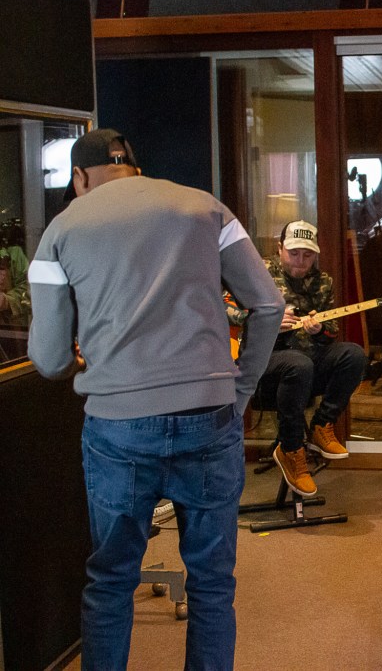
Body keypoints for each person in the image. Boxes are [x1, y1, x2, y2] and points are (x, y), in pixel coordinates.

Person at [27, 128, 285, 670]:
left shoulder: (61, 230)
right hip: (210, 417)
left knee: (111, 581)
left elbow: (48, 361)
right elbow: (267, 305)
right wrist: (239, 390)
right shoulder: (206, 208)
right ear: (134, 166)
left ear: (80, 177)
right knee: (212, 583)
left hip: (118, 426)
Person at [229, 220, 367, 498]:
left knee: (353, 355)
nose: (301, 261)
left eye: (307, 255)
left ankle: (322, 425)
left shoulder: (323, 282)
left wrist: (321, 329)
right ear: (280, 248)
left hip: (306, 364)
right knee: (298, 364)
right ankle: (291, 448)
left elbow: (332, 332)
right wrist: (262, 319)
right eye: (294, 253)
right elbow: (225, 308)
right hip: (264, 365)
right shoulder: (258, 272)